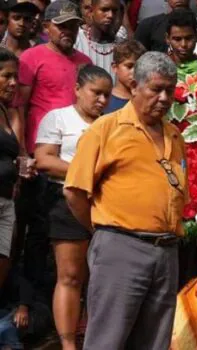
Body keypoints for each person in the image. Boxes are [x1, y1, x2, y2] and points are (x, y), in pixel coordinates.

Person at [64, 52, 187, 350]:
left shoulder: (174, 134)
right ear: (134, 87)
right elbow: (74, 191)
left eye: (169, 90)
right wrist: (105, 232)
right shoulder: (107, 128)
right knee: (107, 340)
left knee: (154, 343)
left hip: (166, 251)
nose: (163, 97)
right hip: (121, 246)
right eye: (155, 89)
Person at [34, 65, 112, 350]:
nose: (102, 101)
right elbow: (44, 159)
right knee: (70, 276)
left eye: (106, 95)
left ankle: (94, 339)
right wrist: (83, 173)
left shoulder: (112, 122)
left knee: (99, 278)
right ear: (77, 89)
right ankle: (68, 345)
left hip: (105, 205)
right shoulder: (58, 118)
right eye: (96, 93)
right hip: (65, 201)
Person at [16, 0, 91, 291]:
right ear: (47, 27)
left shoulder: (84, 61)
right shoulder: (33, 57)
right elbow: (19, 106)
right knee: (37, 229)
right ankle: (32, 297)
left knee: (72, 231)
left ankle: (63, 295)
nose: (67, 31)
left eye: (72, 25)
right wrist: (24, 151)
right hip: (41, 152)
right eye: (61, 26)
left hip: (75, 154)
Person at [0, 49, 19, 292]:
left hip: (6, 200)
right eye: (7, 76)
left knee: (3, 262)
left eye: (16, 77)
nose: (13, 83)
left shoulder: (5, 111)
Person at [74, 0, 122, 80]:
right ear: (91, 11)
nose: (110, 15)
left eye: (115, 10)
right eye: (104, 9)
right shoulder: (76, 40)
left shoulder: (123, 46)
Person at [104, 39, 146, 114]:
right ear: (115, 67)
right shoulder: (104, 99)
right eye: (129, 66)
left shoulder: (145, 99)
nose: (134, 72)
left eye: (139, 67)